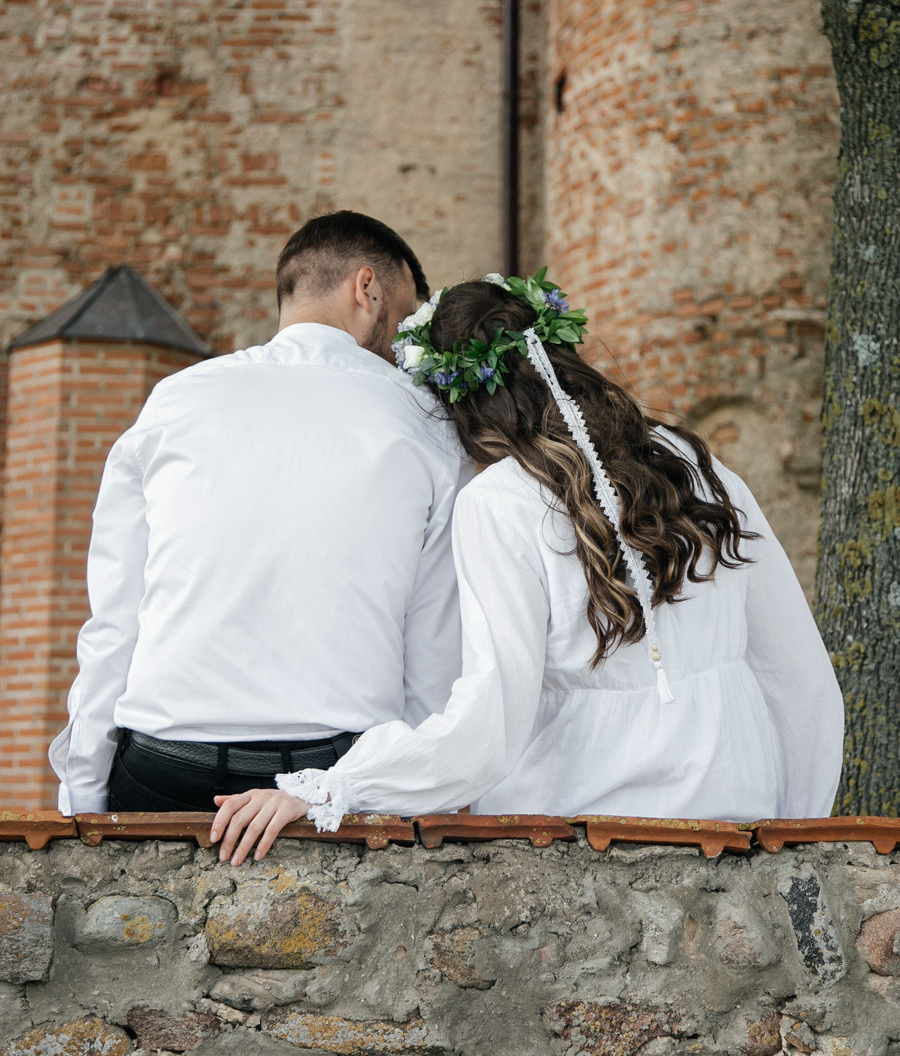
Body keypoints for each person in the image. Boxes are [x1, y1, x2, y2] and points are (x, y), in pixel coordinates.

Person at [211, 270, 845, 864]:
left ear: (459, 405)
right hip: (738, 816)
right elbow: (800, 678)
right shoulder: (695, 462)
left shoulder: (499, 502)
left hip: (583, 835)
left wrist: (333, 786)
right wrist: (796, 829)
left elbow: (490, 723)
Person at [49, 211, 472, 814]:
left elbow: (115, 623)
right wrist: (406, 802)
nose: (405, 348)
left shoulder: (175, 400)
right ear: (367, 289)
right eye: (405, 319)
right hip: (334, 774)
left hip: (165, 765)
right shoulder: (426, 424)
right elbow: (431, 660)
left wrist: (83, 800)